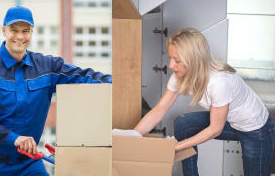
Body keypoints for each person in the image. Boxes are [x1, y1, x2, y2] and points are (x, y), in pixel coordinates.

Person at [0, 6, 111, 176]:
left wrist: (116, 82)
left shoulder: (47, 67)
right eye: (14, 30)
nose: (20, 36)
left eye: (26, 31)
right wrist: (15, 138)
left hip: (28, 163)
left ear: (32, 33)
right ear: (4, 31)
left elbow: (84, 76)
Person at [114, 28, 275, 175]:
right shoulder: (179, 76)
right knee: (183, 124)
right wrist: (133, 136)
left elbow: (215, 129)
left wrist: (174, 148)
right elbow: (159, 109)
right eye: (170, 58)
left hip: (255, 128)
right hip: (228, 121)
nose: (170, 65)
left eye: (177, 60)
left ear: (193, 60)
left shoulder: (219, 82)